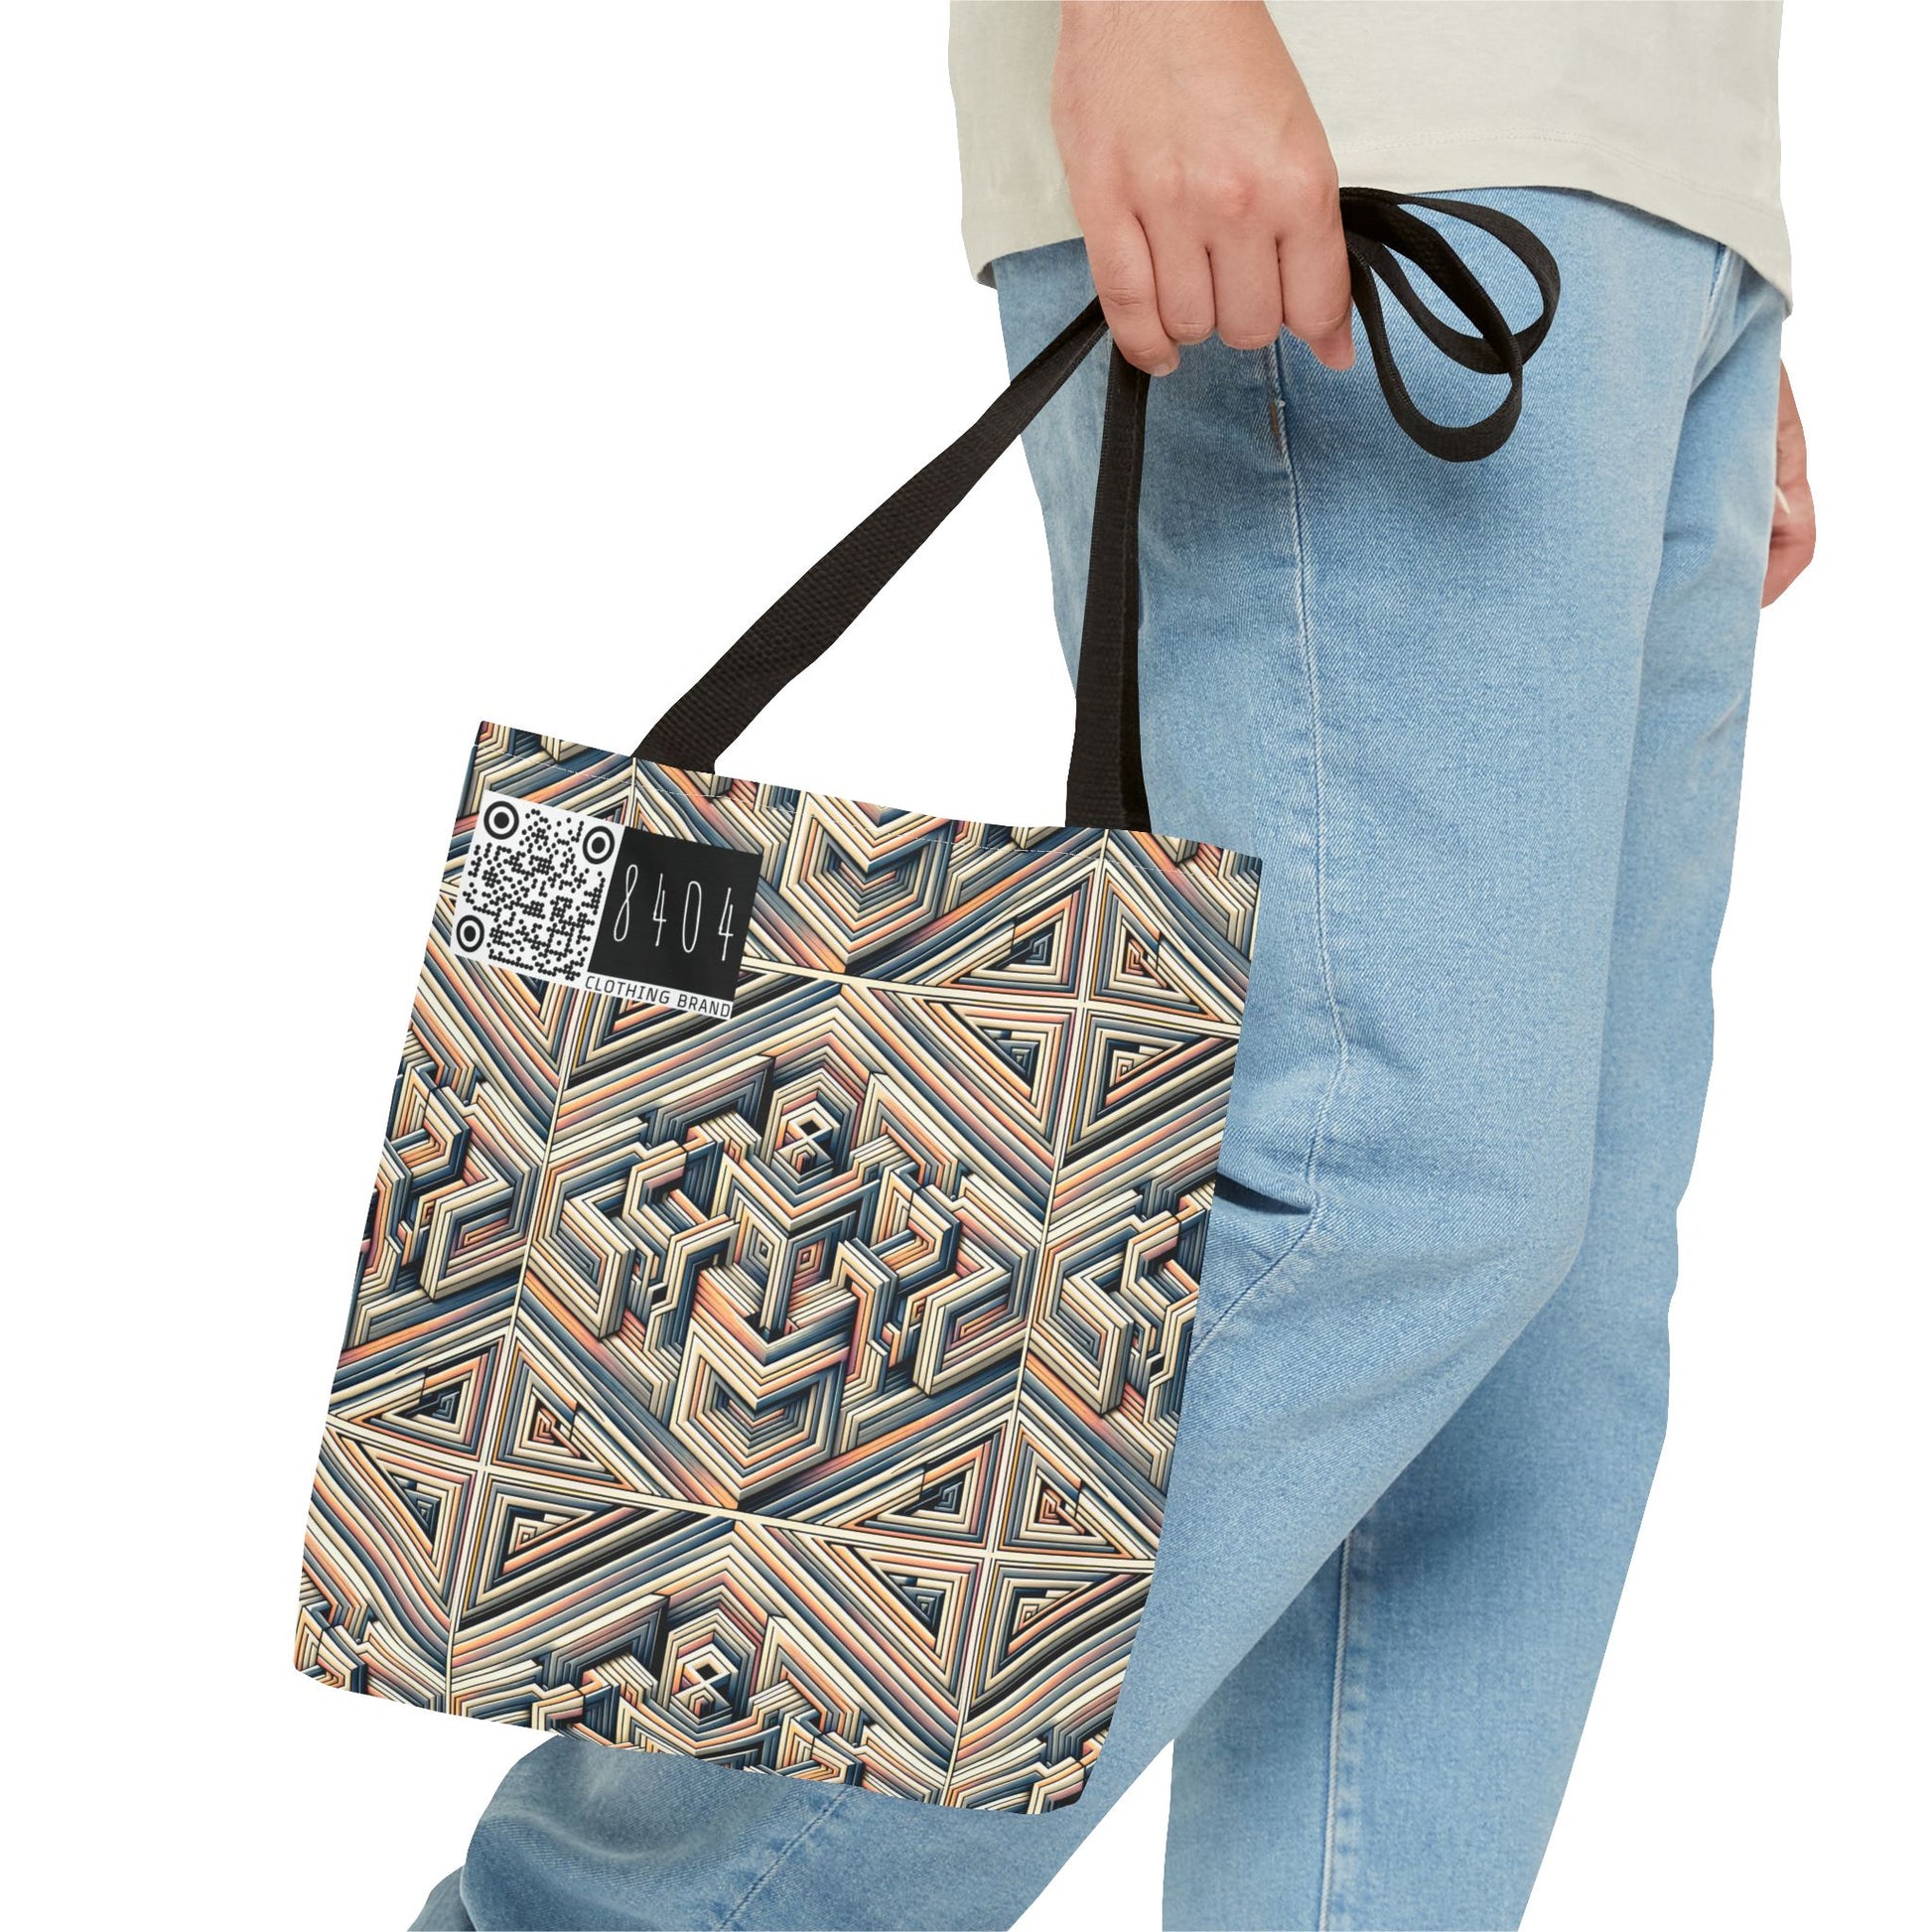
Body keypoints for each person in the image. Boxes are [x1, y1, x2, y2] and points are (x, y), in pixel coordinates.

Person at [414, 4, 1814, 1926]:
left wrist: (1698, 231)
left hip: (1643, 187)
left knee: (1530, 1357)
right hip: (1363, 111)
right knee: (1375, 1188)